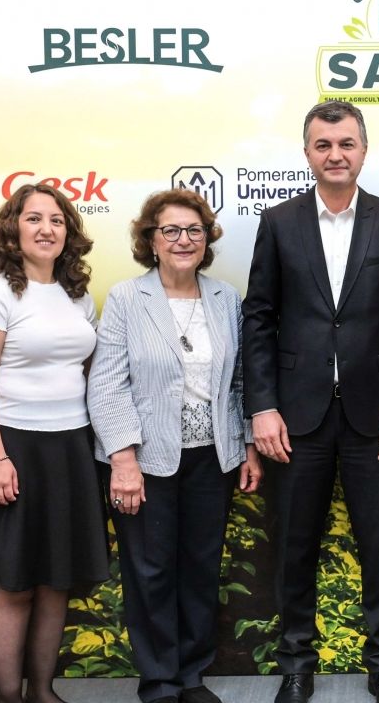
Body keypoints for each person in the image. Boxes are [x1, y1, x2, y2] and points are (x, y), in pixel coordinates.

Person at [242, 100, 379, 703]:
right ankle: (297, 665)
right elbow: (259, 318)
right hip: (296, 418)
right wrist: (262, 406)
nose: (335, 154)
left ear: (363, 151)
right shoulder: (279, 222)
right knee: (293, 547)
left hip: (375, 416)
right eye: (323, 145)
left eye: (346, 143)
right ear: (307, 154)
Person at [88, 189, 263, 703]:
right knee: (151, 570)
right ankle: (161, 681)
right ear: (151, 240)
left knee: (201, 566)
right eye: (170, 230)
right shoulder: (127, 298)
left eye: (194, 230)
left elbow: (240, 381)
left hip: (214, 456)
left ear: (206, 239)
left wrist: (247, 445)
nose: (183, 239)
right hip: (145, 459)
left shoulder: (225, 298)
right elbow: (107, 384)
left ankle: (191, 675)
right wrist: (123, 459)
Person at [0, 183, 110, 703]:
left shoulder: (77, 295)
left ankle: (42, 692)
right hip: (14, 449)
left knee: (56, 582)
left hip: (71, 450)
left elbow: (86, 371)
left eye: (57, 220)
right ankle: (9, 699)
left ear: (69, 232)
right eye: (34, 219)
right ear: (12, 230)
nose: (47, 229)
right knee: (15, 584)